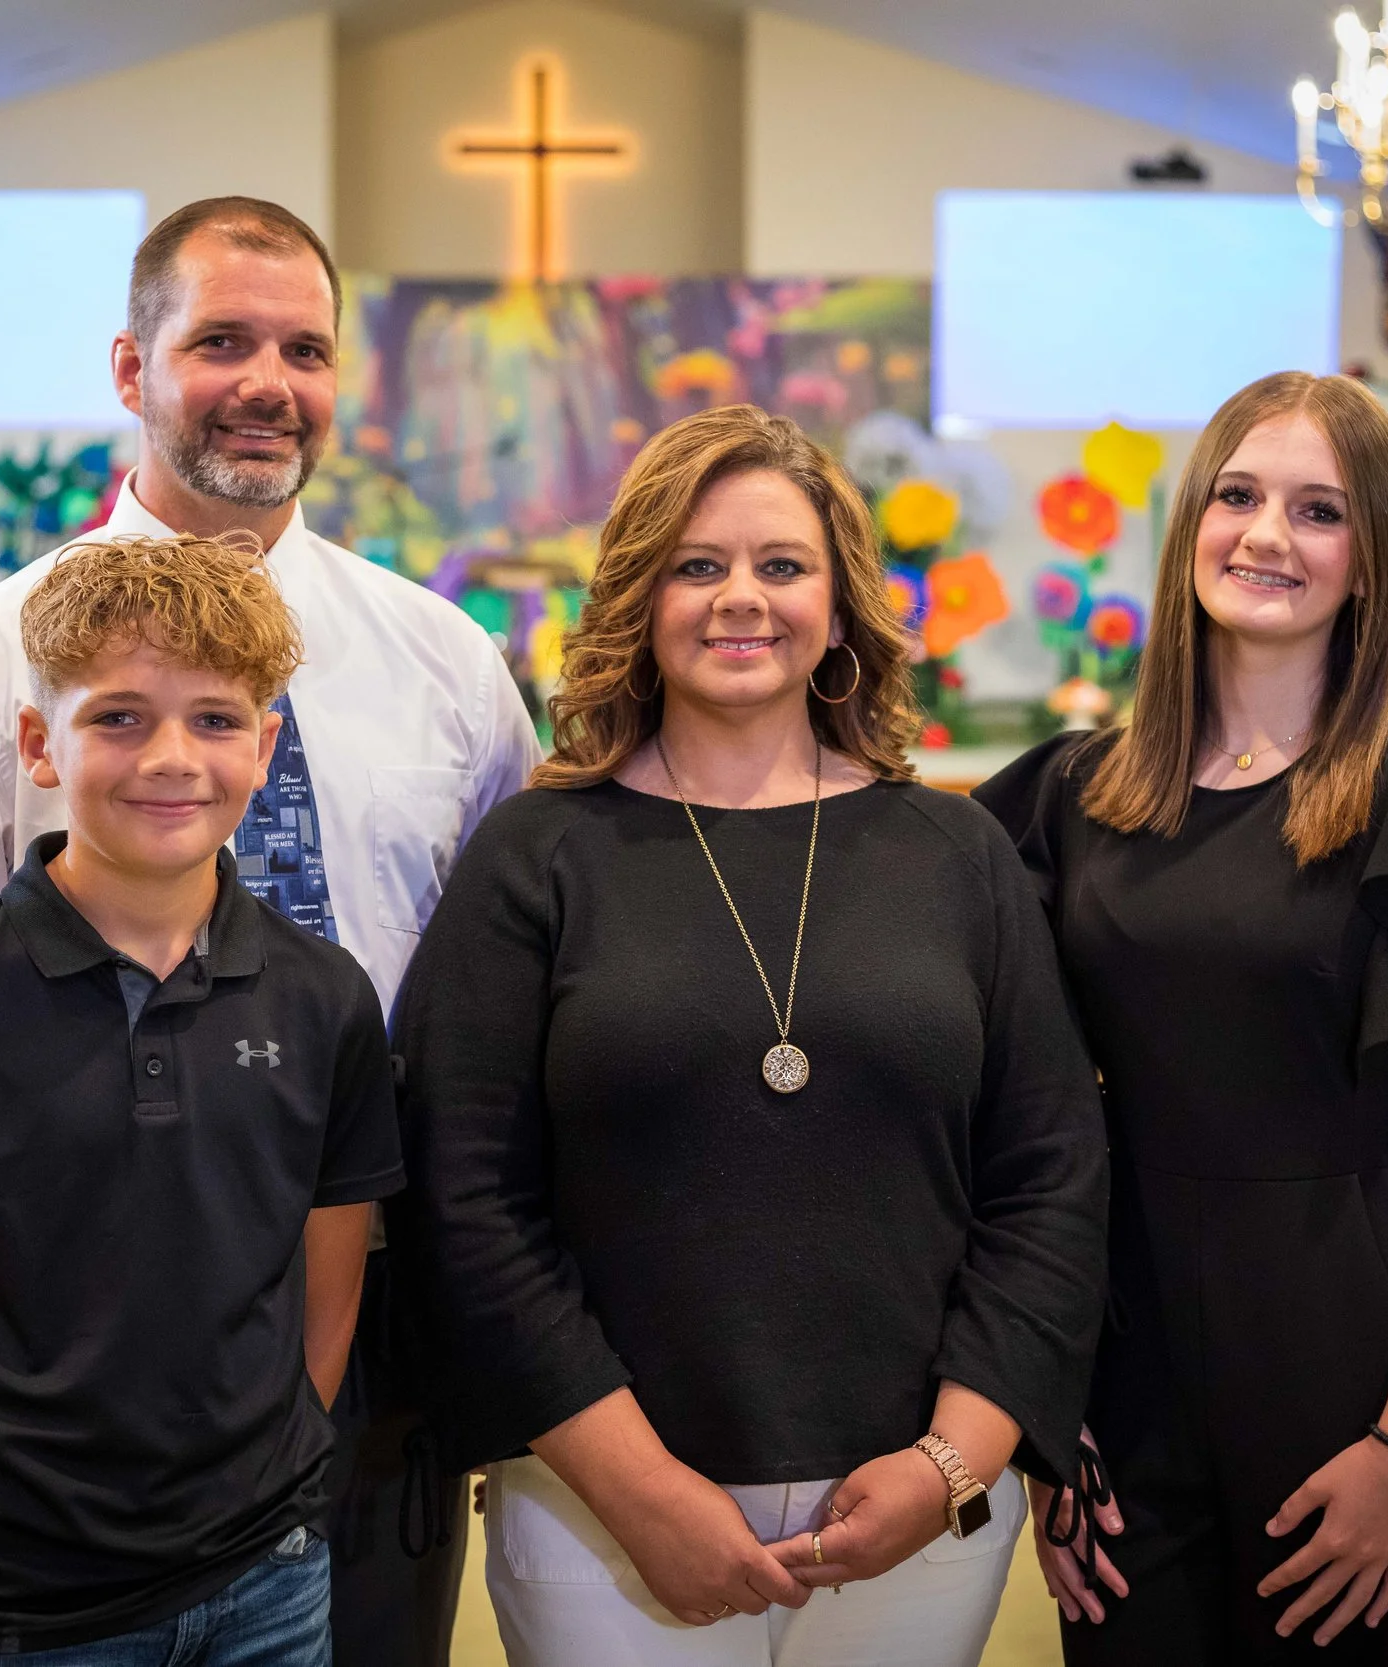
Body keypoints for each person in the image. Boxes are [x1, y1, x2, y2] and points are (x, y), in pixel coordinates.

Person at [0, 196, 538, 1665]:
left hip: (374, 1299)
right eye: (219, 340)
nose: (267, 381)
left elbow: (512, 999)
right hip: (69, 1348)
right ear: (130, 365)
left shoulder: (447, 665)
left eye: (304, 348)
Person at [392, 404, 1110, 1667]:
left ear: (839, 609)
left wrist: (953, 1458)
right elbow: (467, 1197)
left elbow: (1050, 1172)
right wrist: (638, 1489)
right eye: (696, 564)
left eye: (782, 566)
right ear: (639, 596)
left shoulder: (954, 853)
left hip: (911, 1507)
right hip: (600, 1513)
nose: (741, 598)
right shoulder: (538, 857)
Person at [974, 370, 1388, 1662]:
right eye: (1237, 495)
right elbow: (1024, 1123)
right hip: (1121, 1363)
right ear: (1190, 525)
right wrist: (1040, 1409)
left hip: (1343, 1349)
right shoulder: (1069, 798)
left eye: (1319, 511)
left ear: (1373, 563)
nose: (1266, 535)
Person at [0, 534, 404, 1664]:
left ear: (264, 746)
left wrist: (249, 1501)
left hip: (265, 1587)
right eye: (118, 716)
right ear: (38, 742)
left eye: (216, 720)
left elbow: (320, 1310)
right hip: (10, 1601)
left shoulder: (327, 1000)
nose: (171, 757)